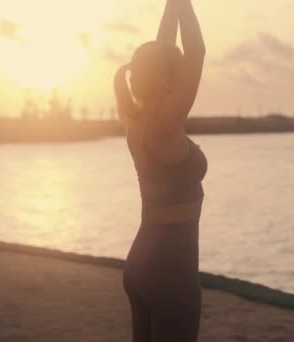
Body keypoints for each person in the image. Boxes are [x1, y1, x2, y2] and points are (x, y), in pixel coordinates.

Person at [113, 0, 206, 341]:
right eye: (178, 72)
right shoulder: (164, 125)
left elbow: (164, 51)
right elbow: (196, 52)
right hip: (170, 268)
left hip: (141, 263)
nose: (186, 76)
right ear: (167, 81)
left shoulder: (137, 121)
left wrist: (172, 5)